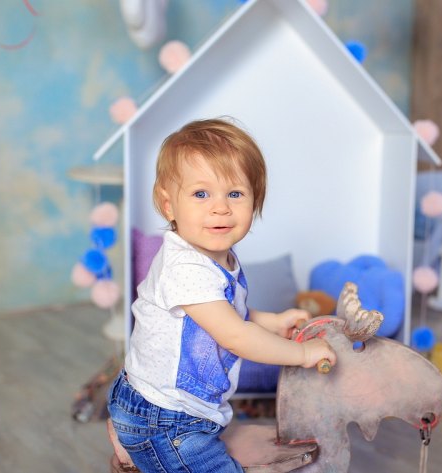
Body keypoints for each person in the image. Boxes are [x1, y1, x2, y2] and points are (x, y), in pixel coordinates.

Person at [107, 117, 336, 472]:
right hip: (165, 419)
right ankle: (134, 440)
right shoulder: (186, 269)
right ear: (169, 206)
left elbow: (228, 314)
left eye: (235, 193)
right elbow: (235, 335)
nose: (220, 207)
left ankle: (132, 440)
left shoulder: (217, 257)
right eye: (201, 194)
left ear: (254, 201)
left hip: (179, 407)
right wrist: (302, 353)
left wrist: (273, 321)